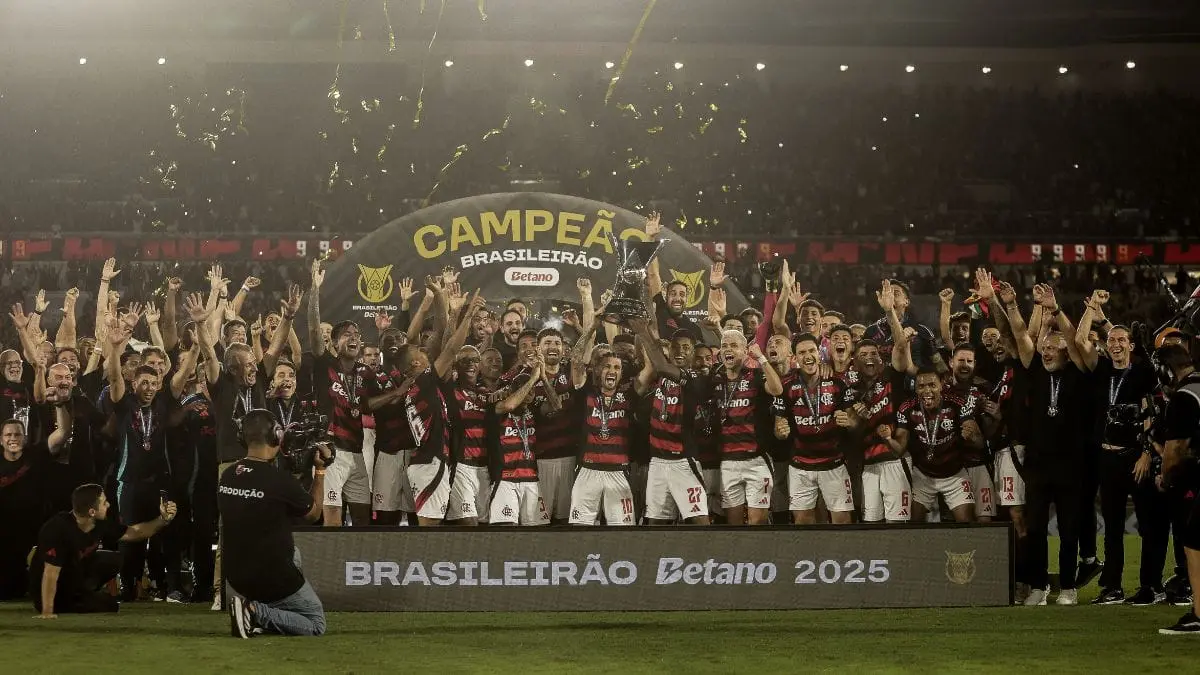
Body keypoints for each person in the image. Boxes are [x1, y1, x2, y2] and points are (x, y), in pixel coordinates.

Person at [219, 409, 328, 638]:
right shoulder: (280, 481)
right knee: (315, 623)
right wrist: (319, 471)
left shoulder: (228, 476)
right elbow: (314, 514)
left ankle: (256, 610)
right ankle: (254, 611)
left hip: (236, 575)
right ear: (277, 435)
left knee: (294, 553)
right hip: (270, 575)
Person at [30, 483, 177, 617]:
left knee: (113, 560)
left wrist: (163, 520)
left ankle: (83, 594)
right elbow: (50, 573)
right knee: (109, 605)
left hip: (71, 578)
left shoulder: (99, 524)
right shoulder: (57, 529)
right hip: (46, 591)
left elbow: (135, 532)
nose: (108, 504)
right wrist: (47, 611)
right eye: (104, 502)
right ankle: (71, 601)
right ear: (92, 511)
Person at [775, 333, 857, 524]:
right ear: (795, 358)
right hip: (800, 466)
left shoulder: (837, 383)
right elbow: (778, 428)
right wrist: (780, 431)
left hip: (834, 463)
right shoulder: (786, 386)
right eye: (801, 352)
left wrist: (850, 421)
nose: (808, 356)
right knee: (803, 523)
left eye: (811, 350)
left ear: (819, 353)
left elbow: (853, 421)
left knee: (843, 522)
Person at [711, 330, 783, 525]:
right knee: (733, 525)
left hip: (756, 460)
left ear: (745, 351)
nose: (728, 349)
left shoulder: (756, 375)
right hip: (727, 462)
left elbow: (777, 389)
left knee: (757, 523)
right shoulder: (714, 378)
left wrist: (761, 358)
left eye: (734, 346)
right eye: (725, 345)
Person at [1157, 343, 1200, 634]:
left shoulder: (1184, 397)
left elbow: (1175, 451)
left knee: (1195, 540)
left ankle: (1199, 612)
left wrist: (1165, 477)